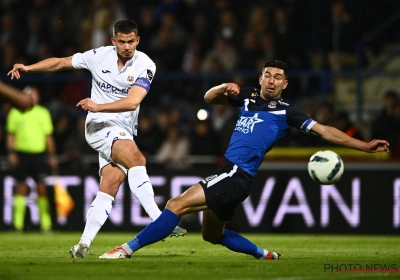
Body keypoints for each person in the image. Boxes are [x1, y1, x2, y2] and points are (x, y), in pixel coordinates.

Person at [98, 60, 389, 260]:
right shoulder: (247, 95)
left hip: (236, 173)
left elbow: (324, 131)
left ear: (284, 84)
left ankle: (125, 249)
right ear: (260, 77)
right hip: (232, 174)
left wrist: (363, 146)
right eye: (268, 75)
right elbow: (209, 99)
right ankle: (264, 254)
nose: (272, 80)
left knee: (176, 204)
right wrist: (223, 87)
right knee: (212, 235)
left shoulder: (288, 111)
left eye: (278, 77)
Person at [8, 19, 186, 258]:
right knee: (137, 159)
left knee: (110, 183)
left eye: (130, 41)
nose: (126, 46)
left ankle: (82, 244)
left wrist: (98, 105)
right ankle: (159, 219)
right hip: (99, 126)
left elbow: (133, 101)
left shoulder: (146, 64)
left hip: (122, 128)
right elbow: (61, 63)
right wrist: (29, 68)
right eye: (121, 41)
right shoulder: (98, 56)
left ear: (138, 40)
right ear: (113, 41)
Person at [5, 86, 58, 232]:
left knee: (42, 188)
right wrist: (11, 152)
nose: (33, 98)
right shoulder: (15, 112)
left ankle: (46, 225)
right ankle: (17, 225)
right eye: (30, 95)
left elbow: (48, 137)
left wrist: (52, 156)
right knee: (21, 187)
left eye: (35, 95)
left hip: (39, 155)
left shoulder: (43, 112)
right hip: (21, 154)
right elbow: (11, 134)